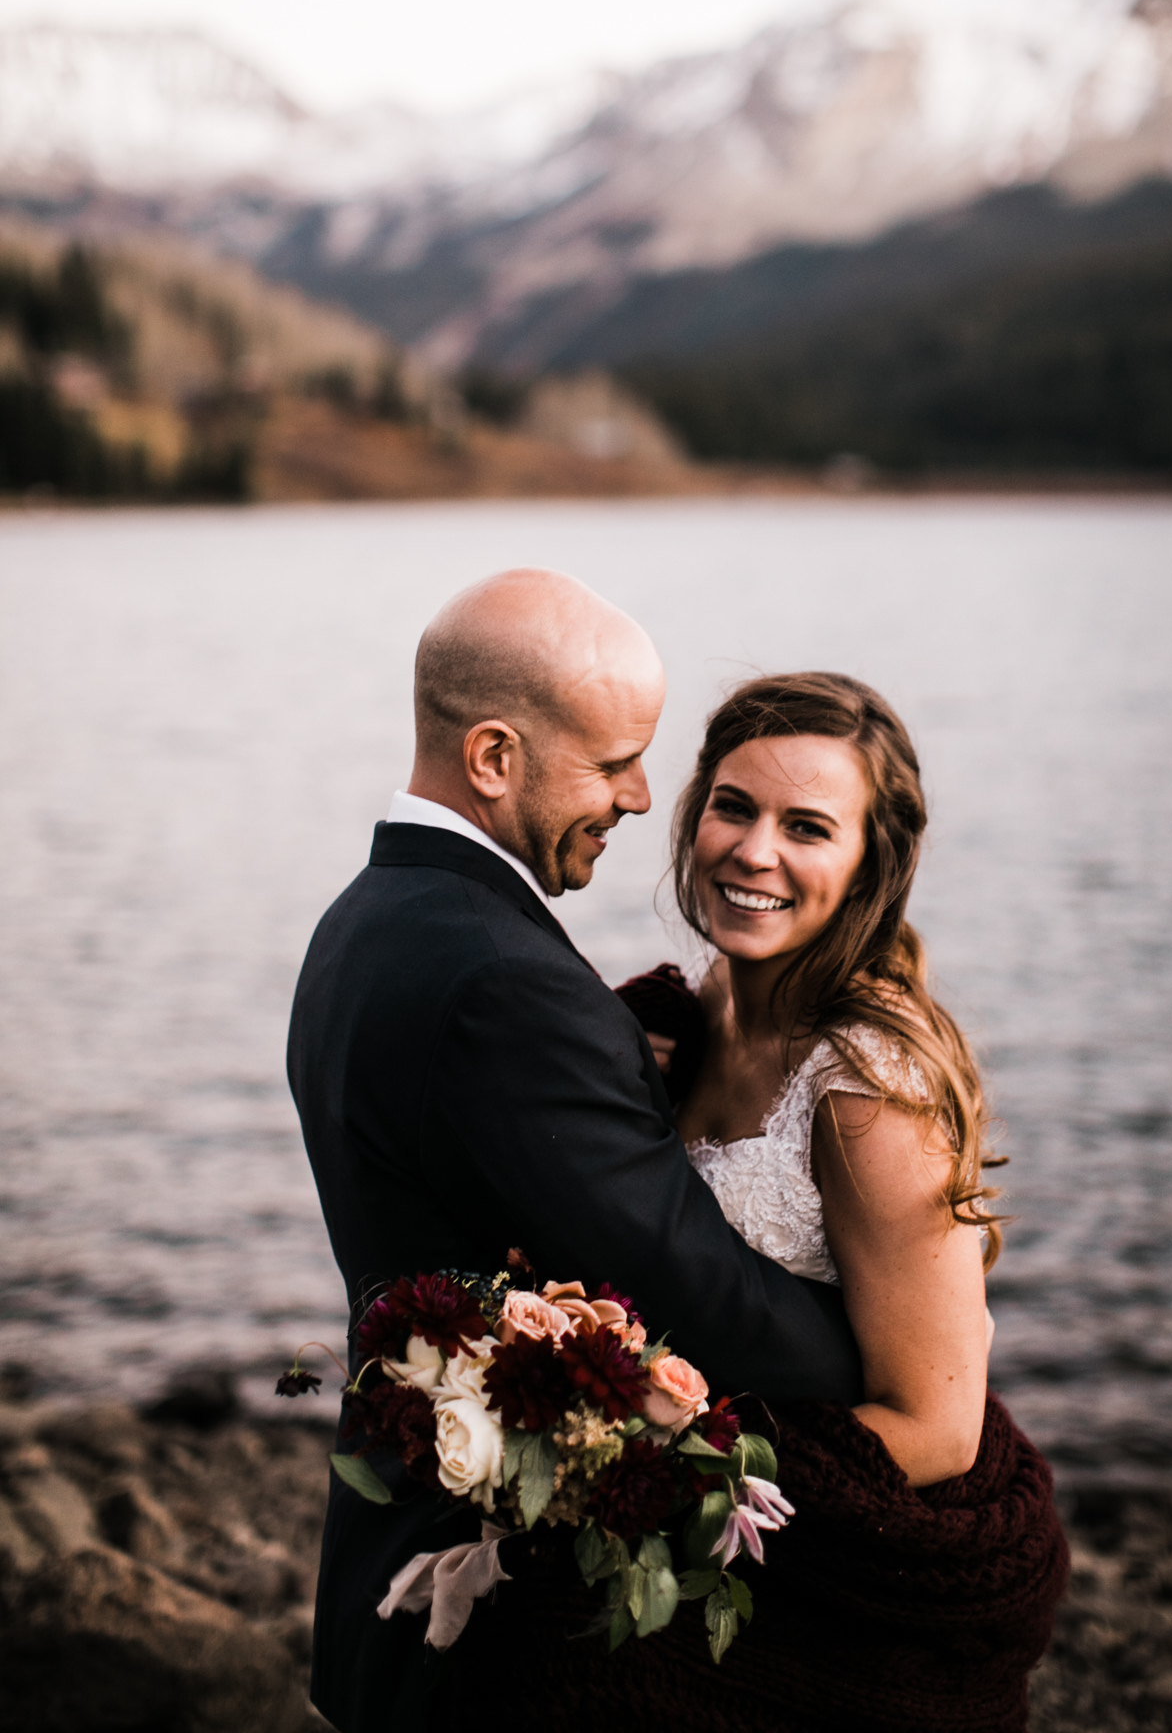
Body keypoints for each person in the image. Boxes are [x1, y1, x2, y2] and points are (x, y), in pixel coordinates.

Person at [286, 574, 863, 1733]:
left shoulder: (366, 915)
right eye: (613, 764)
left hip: (388, 1562)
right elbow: (705, 1301)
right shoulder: (502, 981)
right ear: (493, 755)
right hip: (486, 1631)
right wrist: (895, 1358)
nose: (643, 797)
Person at [605, 671, 1067, 1731]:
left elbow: (939, 1426)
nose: (753, 851)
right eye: (733, 805)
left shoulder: (868, 1089)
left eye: (807, 825)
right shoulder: (692, 1008)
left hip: (844, 1567)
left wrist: (678, 1462)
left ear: (870, 862)